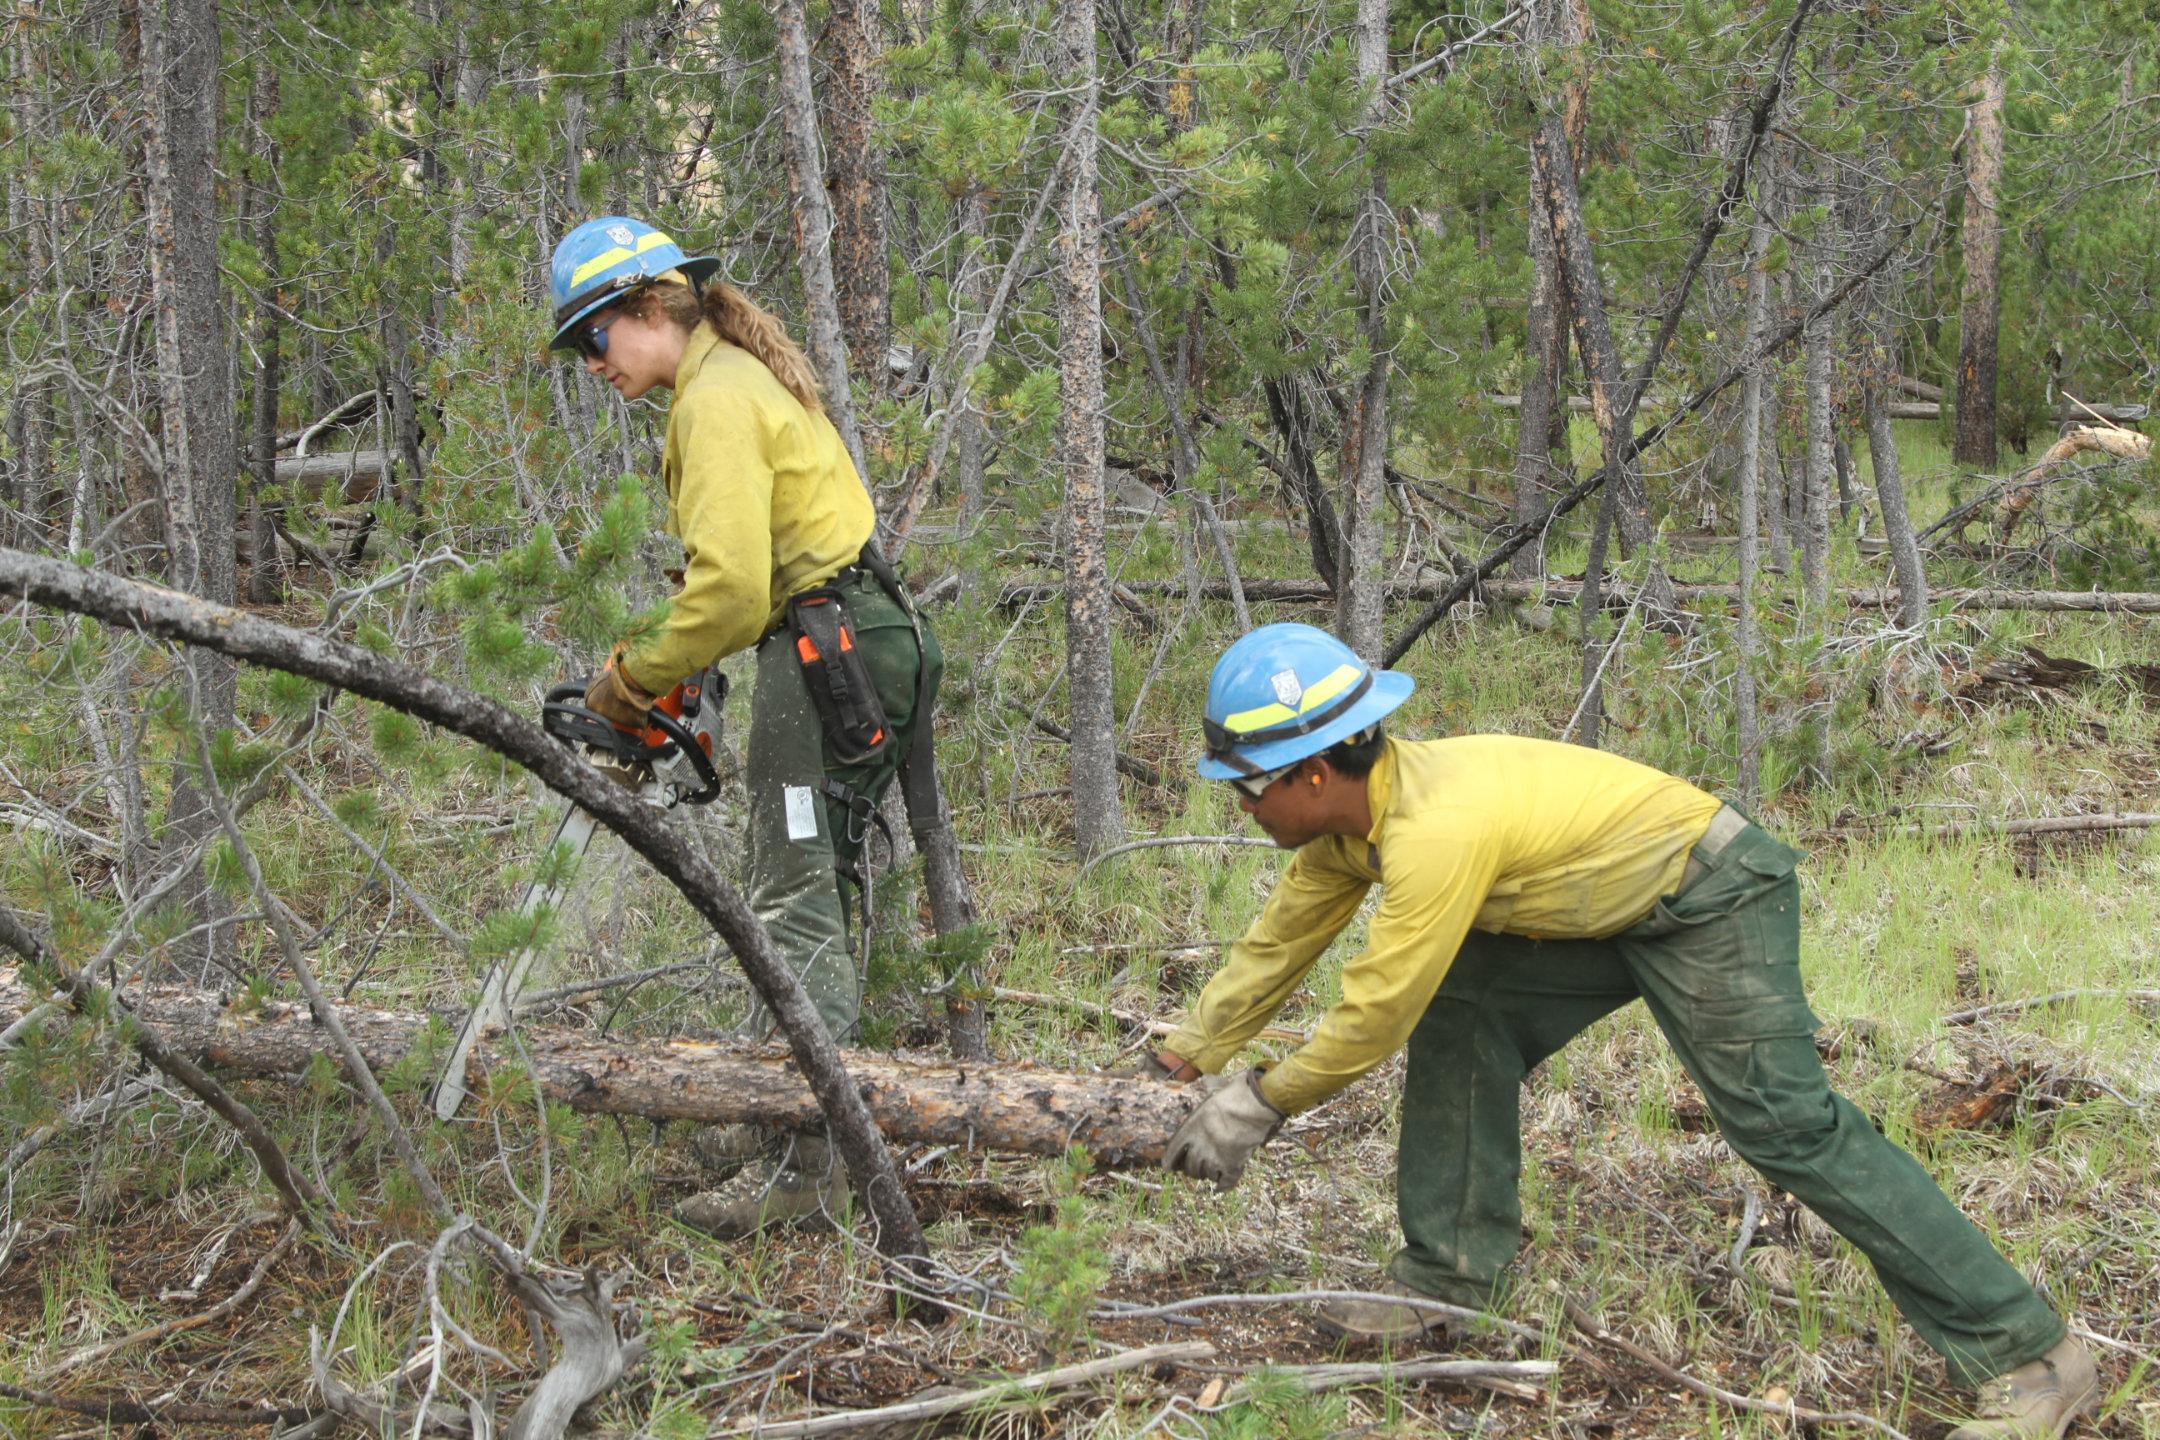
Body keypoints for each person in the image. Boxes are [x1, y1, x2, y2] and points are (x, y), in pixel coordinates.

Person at [1144, 622, 2096, 1440]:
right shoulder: (1347, 828)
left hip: (1711, 892)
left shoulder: (1436, 830)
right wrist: (1184, 1056)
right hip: (1604, 911)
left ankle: (2033, 1355)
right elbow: (1277, 947)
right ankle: (1450, 1281)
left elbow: (1373, 1011)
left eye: (1247, 785)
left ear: (1313, 773)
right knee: (1463, 1008)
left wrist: (1262, 1103)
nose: (1241, 804)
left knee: (1786, 1126)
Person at [546, 216, 941, 1238]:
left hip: (828, 654)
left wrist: (631, 678)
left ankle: (815, 1159)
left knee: (795, 898)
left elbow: (727, 596)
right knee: (801, 887)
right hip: (830, 638)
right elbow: (730, 583)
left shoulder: (716, 400)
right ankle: (790, 1114)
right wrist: (678, 668)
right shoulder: (724, 379)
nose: (593, 364)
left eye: (595, 337)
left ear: (645, 309)